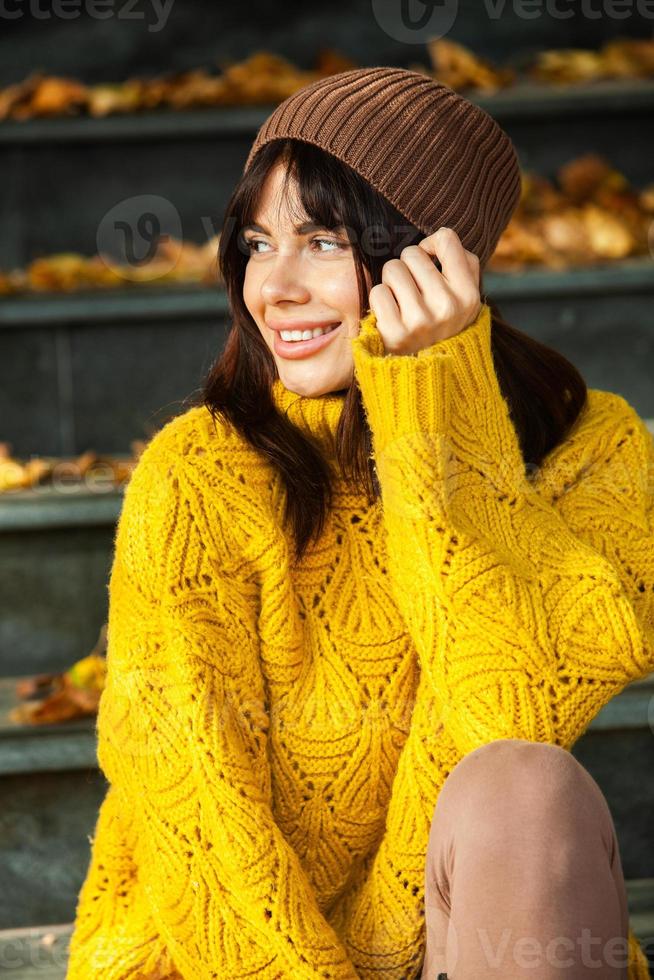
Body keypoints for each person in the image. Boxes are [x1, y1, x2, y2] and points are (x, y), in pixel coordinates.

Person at [66, 67, 654, 979]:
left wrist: (432, 396)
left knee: (526, 790)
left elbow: (511, 707)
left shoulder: (593, 449)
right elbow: (197, 819)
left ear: (437, 258)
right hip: (231, 961)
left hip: (458, 948)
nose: (276, 288)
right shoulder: (199, 473)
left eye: (324, 241)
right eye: (258, 243)